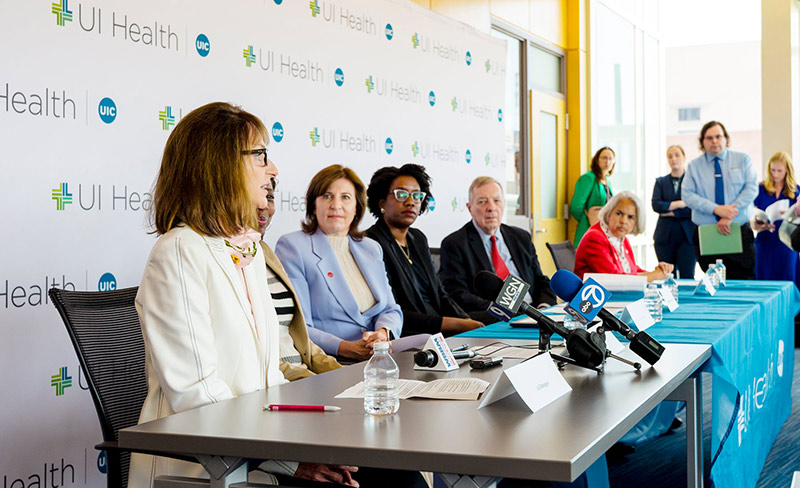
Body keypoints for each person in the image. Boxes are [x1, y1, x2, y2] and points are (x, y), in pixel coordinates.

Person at [131, 102, 361, 488]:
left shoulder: (247, 250)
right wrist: (291, 462)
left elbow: (269, 379)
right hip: (206, 465)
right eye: (261, 156)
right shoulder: (178, 251)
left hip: (257, 452)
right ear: (219, 164)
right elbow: (198, 397)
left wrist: (325, 434)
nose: (273, 170)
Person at [275, 165, 404, 362]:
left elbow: (390, 309)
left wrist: (383, 333)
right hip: (332, 361)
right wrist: (344, 348)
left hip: (378, 357)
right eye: (327, 196)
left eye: (345, 197)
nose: (336, 205)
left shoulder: (371, 248)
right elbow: (299, 326)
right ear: (313, 205)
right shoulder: (294, 247)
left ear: (357, 207)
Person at [365, 164, 483, 336]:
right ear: (382, 202)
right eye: (401, 194)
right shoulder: (371, 243)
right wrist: (451, 324)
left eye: (416, 195)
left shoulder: (418, 238)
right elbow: (389, 310)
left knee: (491, 322)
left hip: (439, 328)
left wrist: (464, 320)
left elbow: (440, 294)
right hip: (408, 333)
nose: (410, 201)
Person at [439, 176, 556, 324]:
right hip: (494, 318)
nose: (491, 207)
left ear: (504, 205)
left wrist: (542, 309)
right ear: (470, 208)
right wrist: (502, 309)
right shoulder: (455, 244)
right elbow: (458, 294)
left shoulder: (520, 237)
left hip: (532, 314)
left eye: (497, 201)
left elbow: (540, 280)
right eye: (482, 202)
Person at [257, 180, 342, 381]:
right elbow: (258, 359)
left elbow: (301, 337)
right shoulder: (230, 258)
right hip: (282, 383)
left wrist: (345, 375)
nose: (264, 206)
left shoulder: (265, 251)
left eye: (270, 197)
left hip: (303, 376)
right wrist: (313, 381)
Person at [682, 120, 758, 279]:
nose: (714, 141)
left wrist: (729, 214)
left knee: (743, 281)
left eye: (718, 136)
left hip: (738, 230)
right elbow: (687, 195)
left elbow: (751, 188)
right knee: (713, 284)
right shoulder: (694, 166)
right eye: (709, 138)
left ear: (726, 138)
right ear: (702, 142)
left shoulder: (743, 160)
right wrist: (716, 209)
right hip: (708, 233)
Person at [574, 191, 674, 281]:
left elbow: (632, 270)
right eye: (619, 213)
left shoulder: (621, 238)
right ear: (609, 213)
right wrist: (653, 276)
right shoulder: (595, 238)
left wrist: (659, 271)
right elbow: (615, 279)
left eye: (631, 217)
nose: (623, 221)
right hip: (594, 299)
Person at [752, 151, 800, 288]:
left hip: (787, 242)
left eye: (780, 171)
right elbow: (753, 215)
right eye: (772, 170)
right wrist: (757, 224)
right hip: (765, 241)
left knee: (788, 279)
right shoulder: (760, 189)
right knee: (765, 280)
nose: (776, 174)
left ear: (787, 171)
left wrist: (790, 214)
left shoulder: (796, 191)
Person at [651, 145, 697, 279]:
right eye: (670, 156)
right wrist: (678, 204)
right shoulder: (660, 182)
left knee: (687, 275)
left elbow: (694, 207)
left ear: (684, 157)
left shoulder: (693, 182)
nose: (673, 159)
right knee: (666, 276)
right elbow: (656, 205)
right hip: (664, 237)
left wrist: (672, 212)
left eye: (677, 155)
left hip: (687, 237)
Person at [570, 147, 616, 247]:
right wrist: (586, 219)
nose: (607, 161)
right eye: (604, 158)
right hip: (589, 229)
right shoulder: (589, 178)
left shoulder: (608, 182)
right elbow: (576, 206)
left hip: (604, 231)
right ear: (597, 160)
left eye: (610, 158)